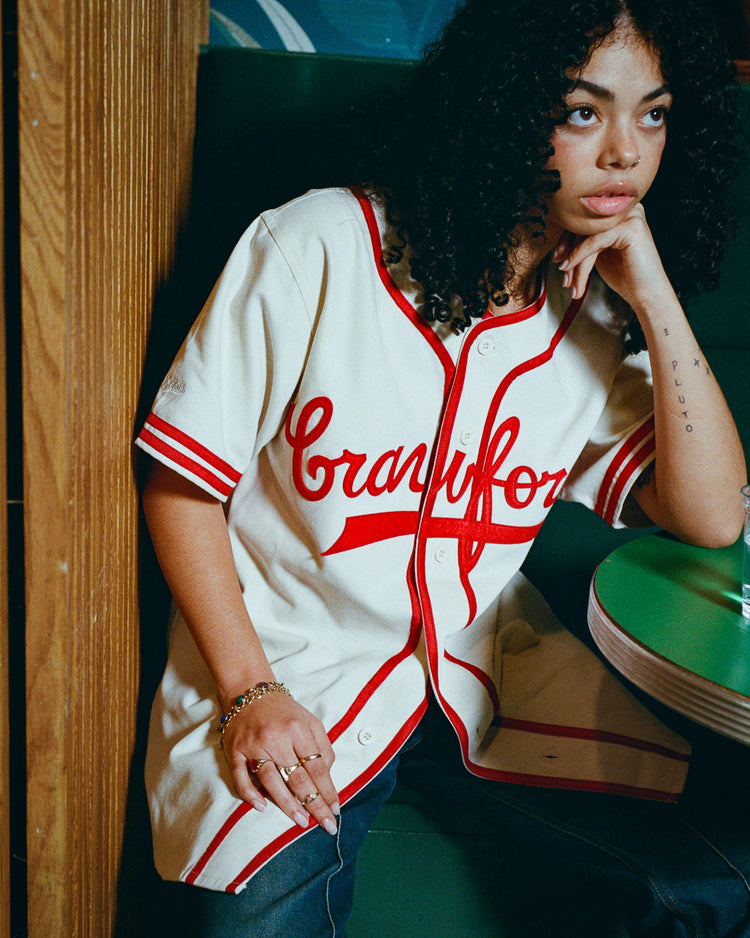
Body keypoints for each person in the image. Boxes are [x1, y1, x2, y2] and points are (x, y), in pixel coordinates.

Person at [136, 0, 750, 934]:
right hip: (295, 670)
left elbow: (714, 515)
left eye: (654, 113)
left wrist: (653, 290)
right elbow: (182, 484)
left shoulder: (585, 315)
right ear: (502, 108)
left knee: (710, 884)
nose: (627, 151)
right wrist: (251, 694)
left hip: (474, 675)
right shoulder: (322, 245)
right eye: (583, 111)